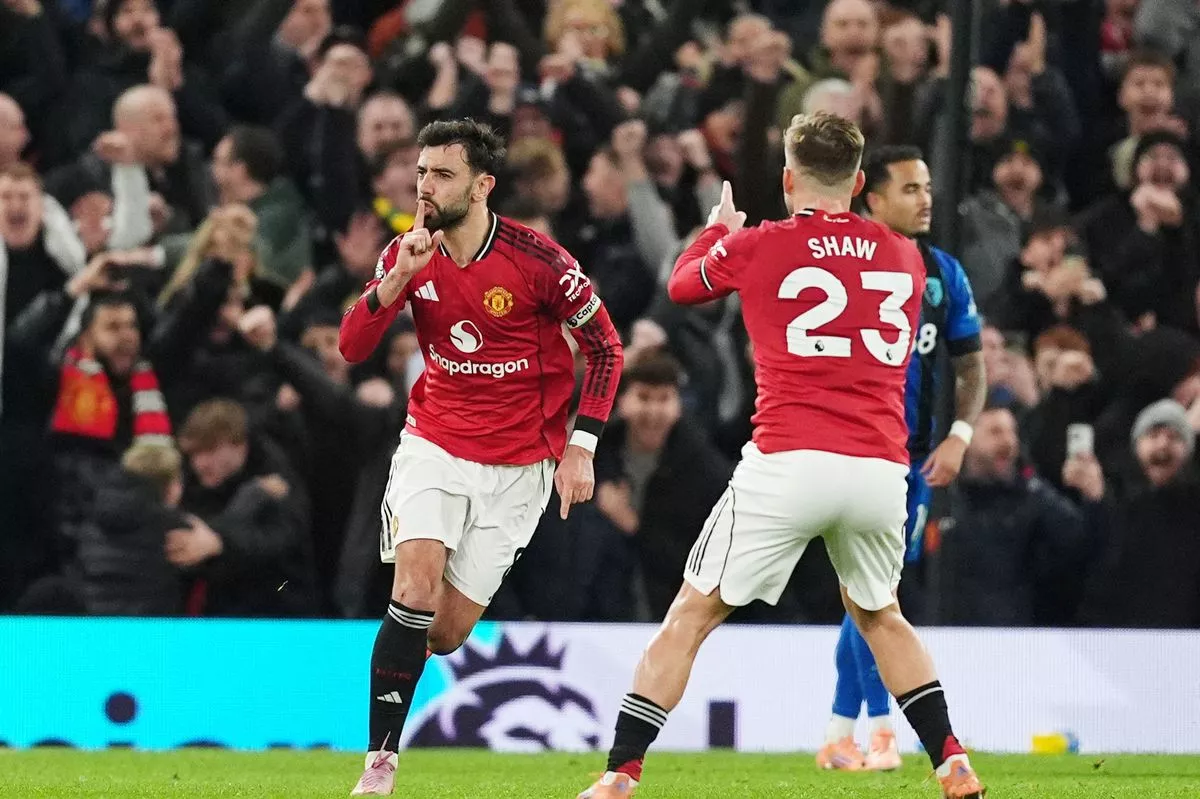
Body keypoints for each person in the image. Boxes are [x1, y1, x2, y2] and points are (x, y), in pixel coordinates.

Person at [578, 112, 984, 799]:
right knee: (883, 615)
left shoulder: (762, 244)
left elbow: (681, 286)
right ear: (859, 184)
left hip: (789, 458)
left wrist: (718, 231)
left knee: (691, 613)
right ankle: (952, 760)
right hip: (881, 467)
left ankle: (621, 772)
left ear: (789, 179)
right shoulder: (906, 256)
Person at [338, 118, 623, 795]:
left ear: (482, 184)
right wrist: (391, 284)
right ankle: (380, 763)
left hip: (522, 464)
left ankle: (411, 664)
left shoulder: (540, 262)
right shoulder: (409, 253)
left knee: (443, 633)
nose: (425, 187)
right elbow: (352, 347)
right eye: (421, 173)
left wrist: (581, 447)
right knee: (412, 582)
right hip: (435, 440)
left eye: (441, 174)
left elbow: (606, 349)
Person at [817, 145, 985, 772]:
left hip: (909, 462)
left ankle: (844, 732)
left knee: (869, 595)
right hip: (843, 450)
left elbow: (970, 364)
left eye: (927, 187)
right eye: (910, 188)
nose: (925, 199)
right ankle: (877, 730)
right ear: (872, 196)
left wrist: (961, 433)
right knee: (872, 594)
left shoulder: (942, 272)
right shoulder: (839, 266)